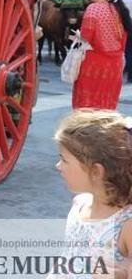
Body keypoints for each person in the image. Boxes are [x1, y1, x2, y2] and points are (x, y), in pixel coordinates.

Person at [54, 111, 132, 277]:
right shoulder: (79, 205)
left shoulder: (126, 224)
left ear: (96, 171)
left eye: (64, 160)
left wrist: (123, 275)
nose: (58, 166)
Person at [72, 0, 132, 110]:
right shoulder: (119, 10)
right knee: (106, 107)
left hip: (94, 65)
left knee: (87, 107)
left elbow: (85, 37)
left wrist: (77, 36)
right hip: (115, 67)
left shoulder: (93, 8)